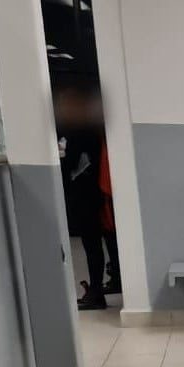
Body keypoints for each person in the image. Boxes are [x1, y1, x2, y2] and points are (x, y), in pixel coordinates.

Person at [53, 83, 120, 310]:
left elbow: (70, 161)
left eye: (67, 104)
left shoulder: (80, 131)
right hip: (94, 195)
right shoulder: (89, 129)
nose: (64, 109)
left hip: (88, 196)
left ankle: (96, 293)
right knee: (103, 241)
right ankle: (109, 282)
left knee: (93, 244)